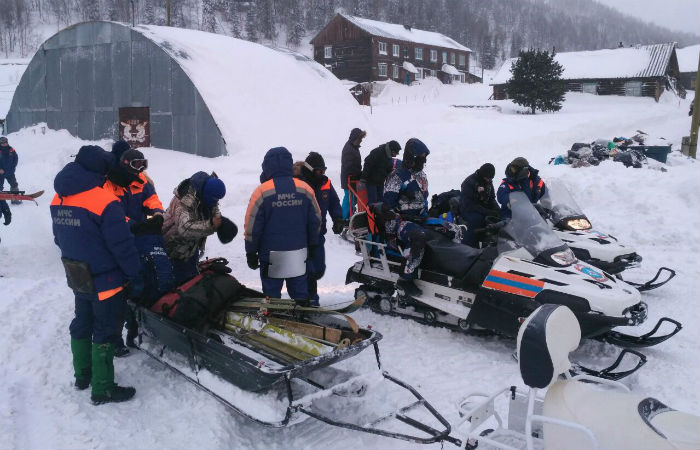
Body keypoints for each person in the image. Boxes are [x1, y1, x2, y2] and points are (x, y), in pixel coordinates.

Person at [50, 145, 143, 405]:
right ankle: (103, 389)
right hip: (107, 279)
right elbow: (122, 246)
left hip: (77, 274)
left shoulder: (59, 197)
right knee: (104, 329)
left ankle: (82, 375)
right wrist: (134, 274)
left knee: (82, 321)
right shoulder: (103, 200)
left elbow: (59, 238)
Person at [104, 144, 171, 356]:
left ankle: (135, 329)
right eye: (136, 165)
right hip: (117, 240)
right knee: (117, 293)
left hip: (140, 238)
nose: (140, 170)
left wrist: (158, 213)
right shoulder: (109, 184)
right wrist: (134, 224)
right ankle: (113, 339)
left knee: (144, 282)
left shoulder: (141, 181)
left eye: (143, 165)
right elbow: (110, 213)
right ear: (125, 165)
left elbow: (151, 198)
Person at [244, 147, 321, 303]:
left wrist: (251, 252)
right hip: (298, 253)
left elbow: (252, 227)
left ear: (266, 167)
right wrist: (313, 244)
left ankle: (273, 321)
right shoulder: (304, 188)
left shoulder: (261, 191)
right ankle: (302, 318)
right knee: (300, 293)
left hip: (271, 255)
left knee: (272, 297)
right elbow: (316, 220)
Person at [382, 138, 430, 297]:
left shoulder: (421, 176)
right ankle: (405, 278)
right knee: (419, 236)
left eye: (425, 158)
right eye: (422, 158)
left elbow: (424, 199)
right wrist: (390, 234)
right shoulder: (397, 177)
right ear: (413, 158)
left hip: (420, 218)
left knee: (451, 228)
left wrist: (427, 215)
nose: (424, 162)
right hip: (401, 222)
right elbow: (387, 208)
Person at [162, 171, 226, 285]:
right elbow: (185, 228)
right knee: (178, 288)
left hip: (190, 248)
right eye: (215, 198)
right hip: (172, 249)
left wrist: (220, 221)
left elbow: (214, 208)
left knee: (192, 282)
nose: (217, 202)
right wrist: (211, 225)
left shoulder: (206, 193)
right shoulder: (186, 199)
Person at [297, 152, 343, 306]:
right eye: (319, 170)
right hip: (301, 236)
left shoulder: (325, 183)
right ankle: (309, 299)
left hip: (318, 234)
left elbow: (334, 202)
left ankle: (308, 294)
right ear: (310, 170)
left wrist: (337, 219)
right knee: (308, 270)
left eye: (324, 170)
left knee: (319, 268)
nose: (322, 173)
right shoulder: (298, 184)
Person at [459, 163, 500, 247]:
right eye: (487, 178)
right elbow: (469, 204)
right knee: (478, 219)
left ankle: (494, 243)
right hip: (467, 209)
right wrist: (486, 212)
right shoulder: (469, 182)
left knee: (499, 218)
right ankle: (466, 245)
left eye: (490, 178)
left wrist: (497, 209)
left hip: (481, 208)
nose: (489, 180)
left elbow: (492, 198)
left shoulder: (488, 182)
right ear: (482, 174)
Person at [361, 140, 402, 205]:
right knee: (373, 202)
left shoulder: (389, 157)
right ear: (392, 150)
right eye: (396, 152)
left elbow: (388, 168)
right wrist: (363, 177)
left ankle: (379, 215)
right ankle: (371, 214)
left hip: (380, 182)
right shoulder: (377, 152)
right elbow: (368, 163)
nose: (397, 154)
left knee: (381, 201)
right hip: (371, 182)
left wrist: (392, 173)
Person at [340, 128, 366, 220]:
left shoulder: (354, 147)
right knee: (348, 200)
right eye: (360, 139)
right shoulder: (349, 149)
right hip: (348, 179)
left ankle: (347, 216)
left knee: (353, 199)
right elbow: (349, 166)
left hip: (353, 179)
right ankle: (342, 219)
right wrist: (359, 174)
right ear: (355, 138)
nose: (361, 141)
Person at [0, 136, 20, 203]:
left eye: (5, 142)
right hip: (1, 173)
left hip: (10, 172)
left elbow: (15, 158)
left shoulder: (11, 149)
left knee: (14, 185)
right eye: (3, 143)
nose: (4, 144)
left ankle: (15, 200)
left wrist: (13, 167)